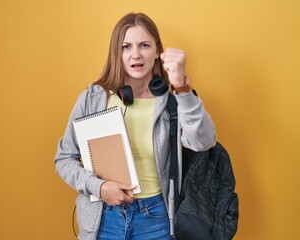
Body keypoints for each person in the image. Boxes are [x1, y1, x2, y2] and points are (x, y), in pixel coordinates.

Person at [54, 12, 216, 240]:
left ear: (157, 51)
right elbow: (64, 158)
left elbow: (204, 141)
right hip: (103, 218)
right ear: (116, 52)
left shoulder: (173, 100)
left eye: (144, 45)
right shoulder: (92, 98)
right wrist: (98, 187)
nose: (136, 55)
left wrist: (183, 88)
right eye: (126, 47)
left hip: (157, 219)